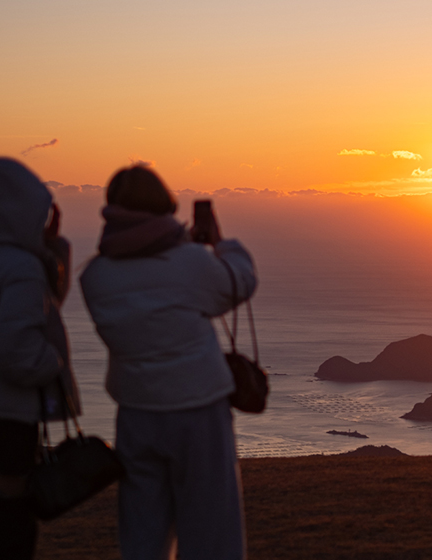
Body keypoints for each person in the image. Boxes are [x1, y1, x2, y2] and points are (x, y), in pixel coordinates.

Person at [80, 166, 256, 560]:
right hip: (199, 411)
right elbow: (240, 282)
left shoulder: (94, 277)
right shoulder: (190, 262)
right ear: (164, 204)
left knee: (144, 535)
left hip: (136, 414)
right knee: (211, 532)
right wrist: (221, 244)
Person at [0, 157, 80, 559]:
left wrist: (52, 250)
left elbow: (40, 310)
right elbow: (18, 353)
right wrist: (55, 362)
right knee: (11, 538)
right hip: (6, 425)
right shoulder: (22, 268)